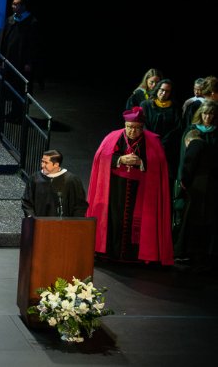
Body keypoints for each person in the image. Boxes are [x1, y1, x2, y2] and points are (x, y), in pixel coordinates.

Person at [86, 107, 174, 265]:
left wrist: (141, 162)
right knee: (114, 219)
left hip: (141, 188)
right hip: (115, 187)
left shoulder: (152, 141)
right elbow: (101, 157)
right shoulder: (113, 137)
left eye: (137, 128)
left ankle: (135, 256)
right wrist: (121, 160)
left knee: (138, 220)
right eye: (129, 127)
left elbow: (159, 163)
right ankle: (109, 253)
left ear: (142, 127)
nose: (132, 131)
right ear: (125, 125)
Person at [176, 103, 216, 270]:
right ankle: (188, 251)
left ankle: (205, 252)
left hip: (212, 182)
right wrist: (183, 180)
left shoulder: (215, 133)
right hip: (196, 182)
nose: (208, 118)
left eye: (211, 115)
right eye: (205, 114)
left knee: (208, 217)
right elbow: (186, 159)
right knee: (192, 216)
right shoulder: (193, 132)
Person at [21, 149, 88, 218]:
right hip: (39, 225)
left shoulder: (71, 180)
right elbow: (27, 202)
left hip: (64, 225)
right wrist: (31, 218)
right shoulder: (35, 178)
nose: (42, 165)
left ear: (56, 164)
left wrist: (74, 223)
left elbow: (80, 204)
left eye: (46, 163)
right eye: (42, 162)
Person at [140, 79, 183, 173]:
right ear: (157, 89)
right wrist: (153, 141)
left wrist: (163, 143)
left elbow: (177, 128)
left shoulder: (175, 107)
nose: (164, 93)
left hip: (167, 148)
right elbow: (143, 124)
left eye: (167, 91)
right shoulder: (146, 105)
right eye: (162, 90)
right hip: (148, 145)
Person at [0, 0, 36, 88]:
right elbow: (3, 39)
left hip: (22, 61)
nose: (12, 6)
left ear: (23, 6)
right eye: (12, 4)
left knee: (20, 88)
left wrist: (29, 62)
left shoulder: (32, 22)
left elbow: (33, 44)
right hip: (9, 58)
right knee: (8, 87)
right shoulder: (10, 20)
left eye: (16, 4)